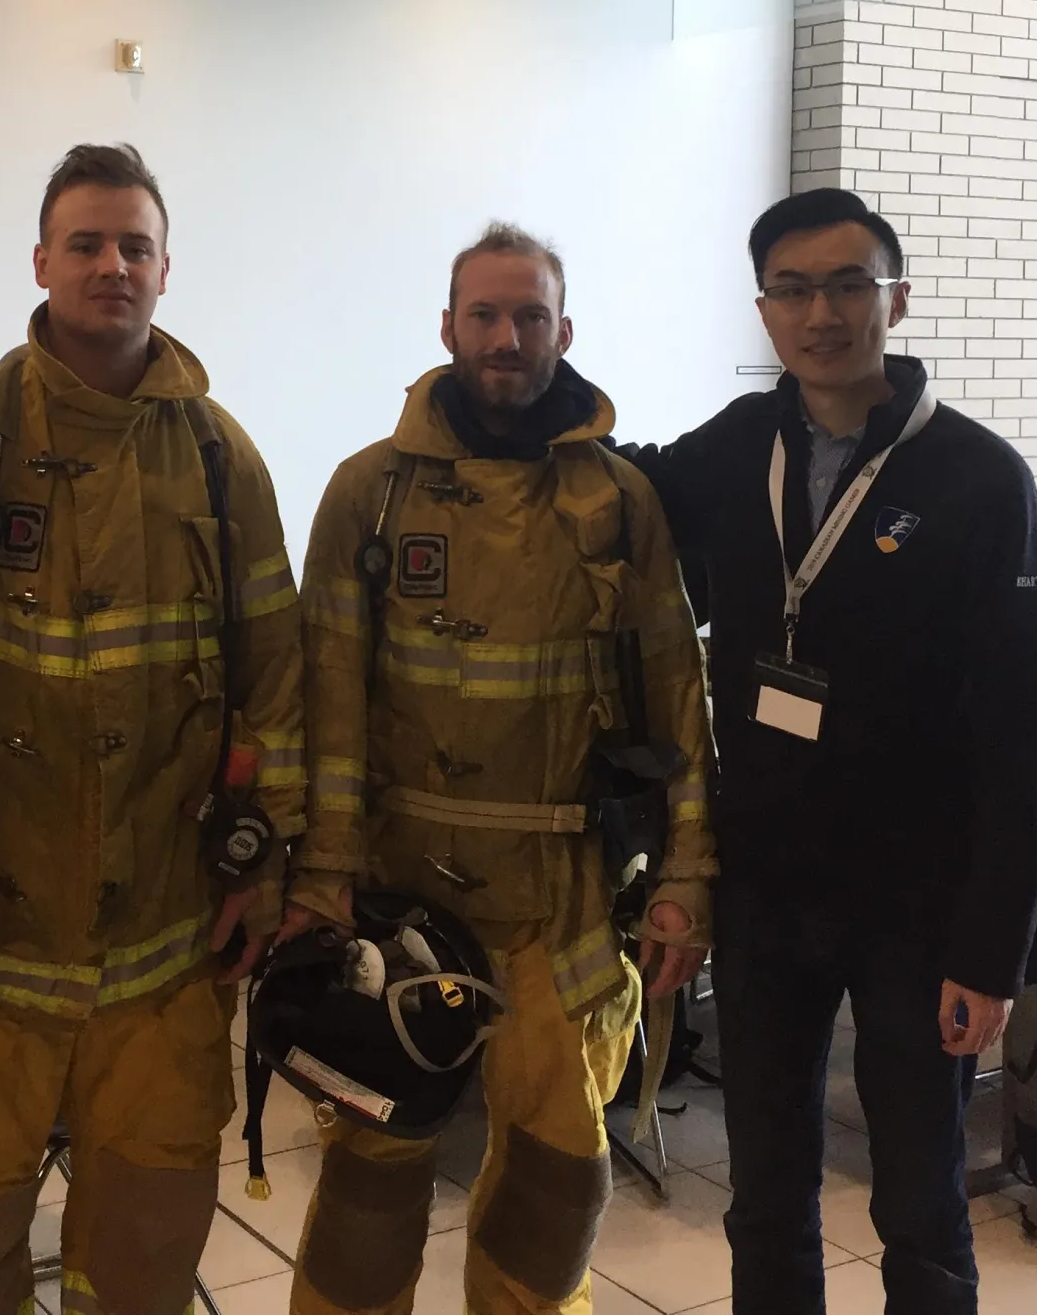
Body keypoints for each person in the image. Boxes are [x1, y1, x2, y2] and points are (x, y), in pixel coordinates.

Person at [0, 143, 304, 1315]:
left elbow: (276, 685)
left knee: (150, 1259)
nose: (111, 265)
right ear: (41, 262)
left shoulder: (223, 462)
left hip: (168, 950)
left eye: (135, 246)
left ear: (168, 270)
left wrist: (261, 868)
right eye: (86, 243)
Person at [619, 187, 1037, 1315]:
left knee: (919, 1197)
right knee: (765, 1188)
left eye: (849, 284)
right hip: (768, 886)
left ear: (895, 299)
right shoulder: (739, 445)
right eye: (794, 289)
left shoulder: (975, 476)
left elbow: (1024, 732)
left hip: (918, 898)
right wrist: (521, 395)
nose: (822, 312)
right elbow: (620, 483)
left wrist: (992, 948)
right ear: (764, 311)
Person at [286, 222, 716, 1315]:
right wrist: (321, 875)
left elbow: (677, 697)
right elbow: (328, 700)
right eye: (484, 313)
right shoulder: (368, 494)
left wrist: (686, 876)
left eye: (530, 316)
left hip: (564, 902)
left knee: (557, 1178)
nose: (506, 335)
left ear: (564, 332)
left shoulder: (620, 503)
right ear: (447, 327)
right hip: (402, 890)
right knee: (372, 1168)